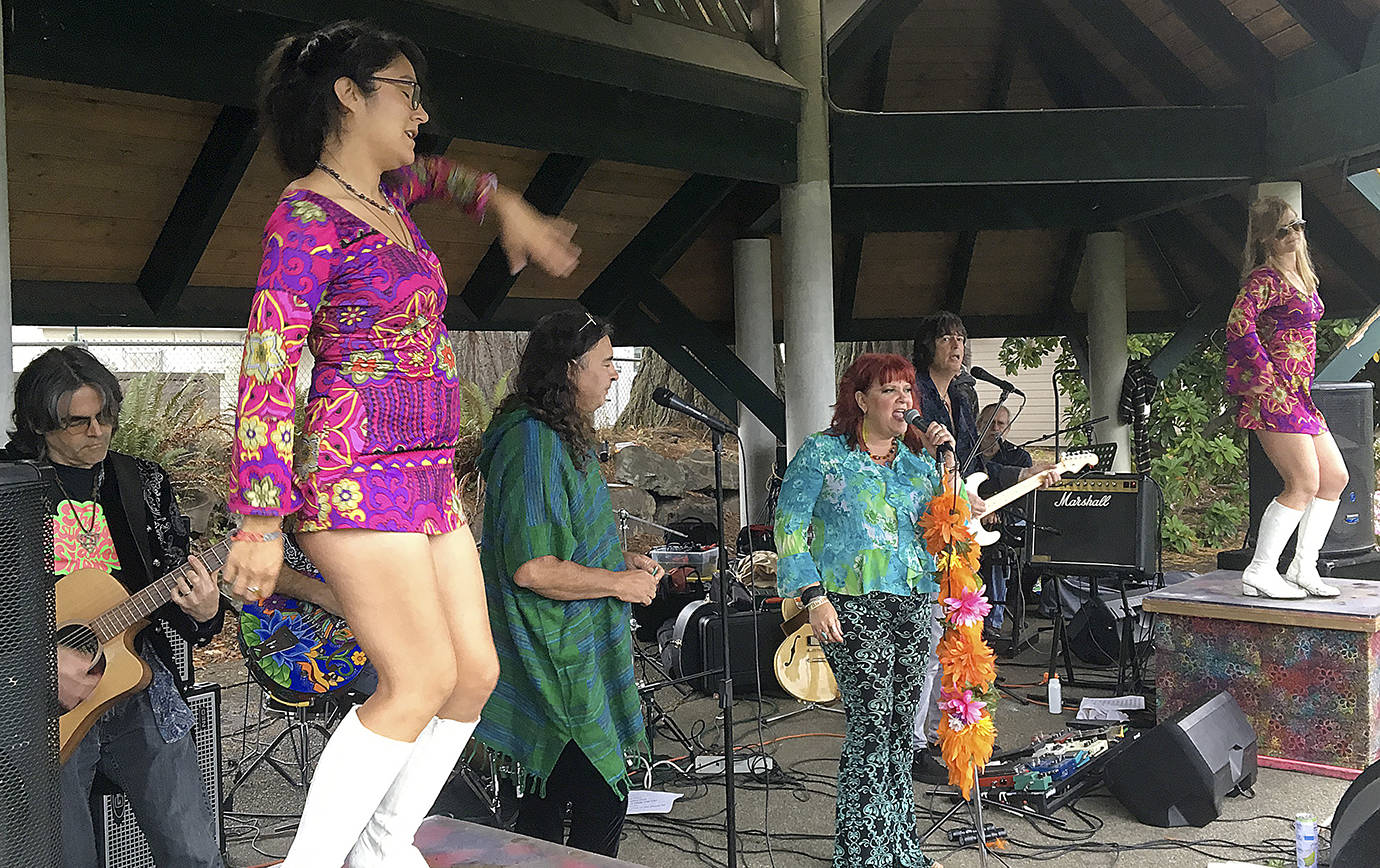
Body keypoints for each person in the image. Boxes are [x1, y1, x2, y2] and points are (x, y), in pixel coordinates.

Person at [219, 20, 582, 867]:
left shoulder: (387, 198)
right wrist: (260, 518)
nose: (420, 113)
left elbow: (447, 176)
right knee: (416, 680)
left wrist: (512, 207)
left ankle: (381, 847)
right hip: (353, 474)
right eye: (406, 92)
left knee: (473, 676)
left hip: (425, 478)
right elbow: (269, 359)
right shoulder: (304, 216)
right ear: (349, 94)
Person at [4, 347, 225, 868]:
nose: (98, 432)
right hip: (41, 705)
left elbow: (175, 584)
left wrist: (205, 609)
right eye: (77, 422)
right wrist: (37, 662)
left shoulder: (141, 482)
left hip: (138, 683)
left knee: (192, 852)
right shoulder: (7, 487)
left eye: (105, 417)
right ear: (40, 423)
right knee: (64, 857)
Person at [475, 311, 659, 857]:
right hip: (550, 660)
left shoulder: (554, 435)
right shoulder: (532, 445)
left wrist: (616, 557)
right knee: (599, 800)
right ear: (571, 368)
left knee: (547, 805)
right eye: (605, 363)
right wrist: (618, 584)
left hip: (564, 653)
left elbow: (564, 539)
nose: (615, 375)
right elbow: (532, 567)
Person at [775, 352, 961, 868]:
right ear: (861, 400)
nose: (905, 402)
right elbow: (788, 527)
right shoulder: (824, 454)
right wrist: (812, 597)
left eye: (909, 393)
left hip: (915, 602)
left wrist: (948, 465)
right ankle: (859, 855)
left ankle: (899, 850)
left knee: (902, 729)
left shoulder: (920, 462)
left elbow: (952, 523)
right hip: (849, 607)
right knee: (872, 723)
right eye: (891, 391)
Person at [1226, 196, 1347, 599]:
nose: (1294, 235)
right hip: (1274, 393)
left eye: (1297, 226)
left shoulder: (1302, 277)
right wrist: (1258, 372)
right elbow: (1239, 322)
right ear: (1264, 239)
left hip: (1298, 393)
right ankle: (1260, 569)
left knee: (1334, 478)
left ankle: (1302, 566)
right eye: (1283, 230)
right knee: (1303, 481)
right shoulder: (1264, 280)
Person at [975, 402, 1033, 638]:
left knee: (995, 551)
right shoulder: (967, 453)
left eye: (1000, 424)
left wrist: (997, 509)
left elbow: (1024, 499)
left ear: (1007, 429)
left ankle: (993, 622)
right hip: (966, 518)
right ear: (979, 425)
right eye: (990, 423)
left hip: (1007, 520)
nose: (995, 429)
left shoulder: (1019, 457)